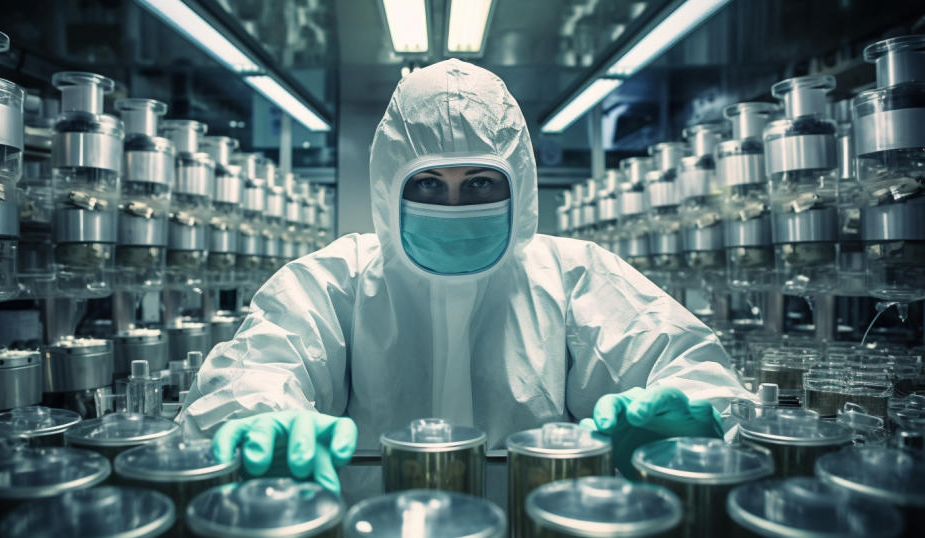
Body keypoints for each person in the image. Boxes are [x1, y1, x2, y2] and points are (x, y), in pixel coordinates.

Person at [180, 59, 751, 493]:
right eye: (428, 184)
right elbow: (256, 369)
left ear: (519, 187)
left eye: (480, 183)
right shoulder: (336, 280)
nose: (453, 207)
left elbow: (693, 370)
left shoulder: (575, 275)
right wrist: (261, 419)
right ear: (389, 188)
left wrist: (692, 418)